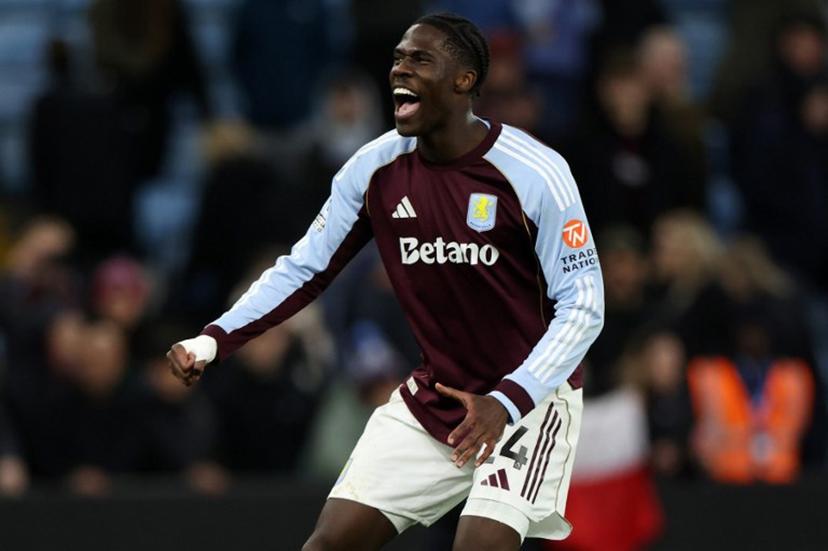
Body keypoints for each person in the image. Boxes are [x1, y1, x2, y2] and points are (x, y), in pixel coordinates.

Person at [167, 13, 604, 550]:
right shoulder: (374, 169)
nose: (400, 69)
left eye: (420, 59)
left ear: (464, 80)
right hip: (436, 396)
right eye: (398, 58)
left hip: (528, 401)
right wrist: (214, 338)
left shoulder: (534, 172)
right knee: (330, 543)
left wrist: (510, 399)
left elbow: (584, 305)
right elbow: (304, 269)